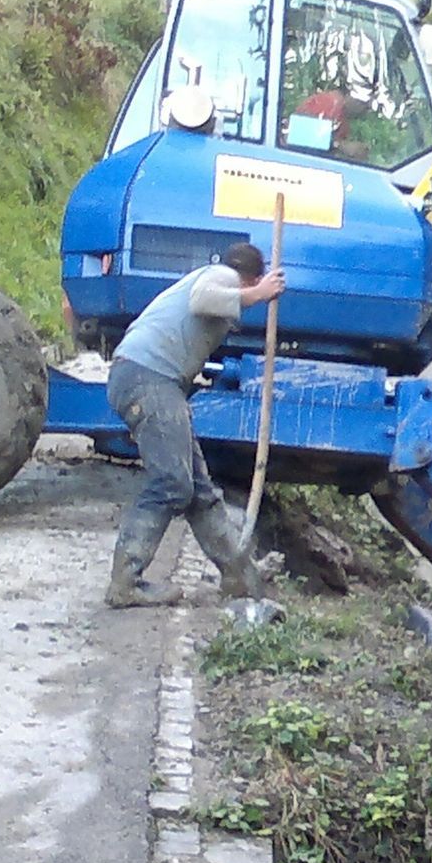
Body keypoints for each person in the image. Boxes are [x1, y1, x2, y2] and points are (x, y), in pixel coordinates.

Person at [105, 241, 286, 607]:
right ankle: (126, 582)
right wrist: (258, 293)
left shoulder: (214, 280)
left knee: (199, 490)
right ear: (249, 274)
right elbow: (204, 299)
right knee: (172, 483)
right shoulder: (219, 276)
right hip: (147, 377)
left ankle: (239, 573)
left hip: (155, 380)